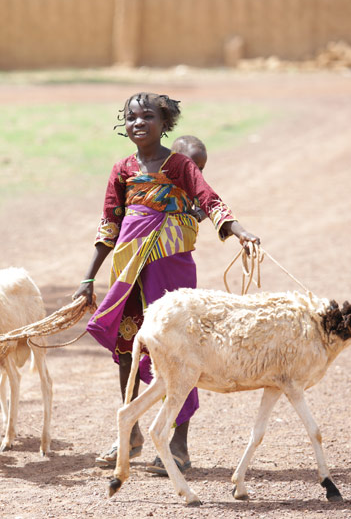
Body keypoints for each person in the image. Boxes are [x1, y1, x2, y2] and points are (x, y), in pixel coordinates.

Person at [73, 92, 260, 476]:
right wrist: (88, 277)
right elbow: (108, 225)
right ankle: (132, 433)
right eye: (131, 117)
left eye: (147, 117)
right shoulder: (121, 169)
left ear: (164, 123)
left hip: (170, 268)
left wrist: (241, 233)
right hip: (128, 271)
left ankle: (179, 445)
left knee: (177, 353)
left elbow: (209, 200)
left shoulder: (178, 165)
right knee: (127, 347)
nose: (138, 123)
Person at [171, 135, 208, 222]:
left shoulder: (194, 187)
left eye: (201, 168)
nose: (197, 172)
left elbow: (207, 207)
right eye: (192, 166)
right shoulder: (160, 182)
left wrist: (197, 215)